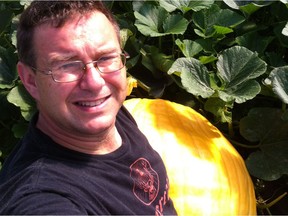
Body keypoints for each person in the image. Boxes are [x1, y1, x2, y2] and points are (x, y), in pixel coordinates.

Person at [0, 1, 177, 215]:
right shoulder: (43, 198)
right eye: (67, 65)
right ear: (30, 80)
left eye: (106, 58)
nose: (94, 83)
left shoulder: (108, 112)